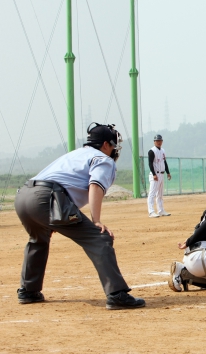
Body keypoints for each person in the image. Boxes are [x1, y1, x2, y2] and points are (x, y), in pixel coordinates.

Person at [14, 123, 145, 309]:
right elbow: (95, 185)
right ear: (106, 145)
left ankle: (28, 291)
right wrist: (97, 220)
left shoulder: (74, 154)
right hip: (47, 198)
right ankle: (117, 294)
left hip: (24, 196)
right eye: (113, 146)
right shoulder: (103, 159)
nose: (114, 150)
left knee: (38, 239)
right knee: (100, 238)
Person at [147, 134, 172, 218]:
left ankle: (161, 210)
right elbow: (150, 163)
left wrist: (168, 172)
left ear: (162, 141)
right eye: (157, 141)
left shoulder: (163, 151)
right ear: (154, 142)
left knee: (160, 194)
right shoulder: (151, 151)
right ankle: (151, 211)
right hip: (155, 174)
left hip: (161, 174)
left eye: (160, 141)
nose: (159, 142)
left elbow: (164, 162)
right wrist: (154, 174)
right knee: (152, 193)